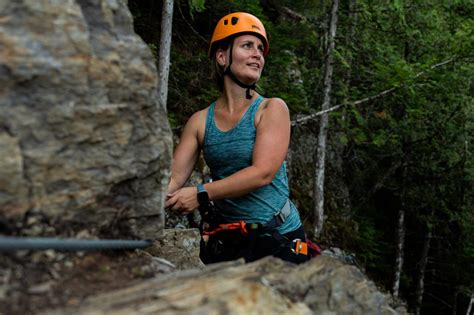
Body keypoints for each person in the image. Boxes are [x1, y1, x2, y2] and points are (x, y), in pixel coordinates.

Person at [165, 12, 314, 264]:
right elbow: (173, 179)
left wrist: (200, 194)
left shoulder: (271, 109)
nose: (258, 54)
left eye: (260, 49)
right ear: (222, 57)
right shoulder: (201, 121)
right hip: (230, 240)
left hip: (279, 236)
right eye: (247, 46)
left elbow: (262, 173)